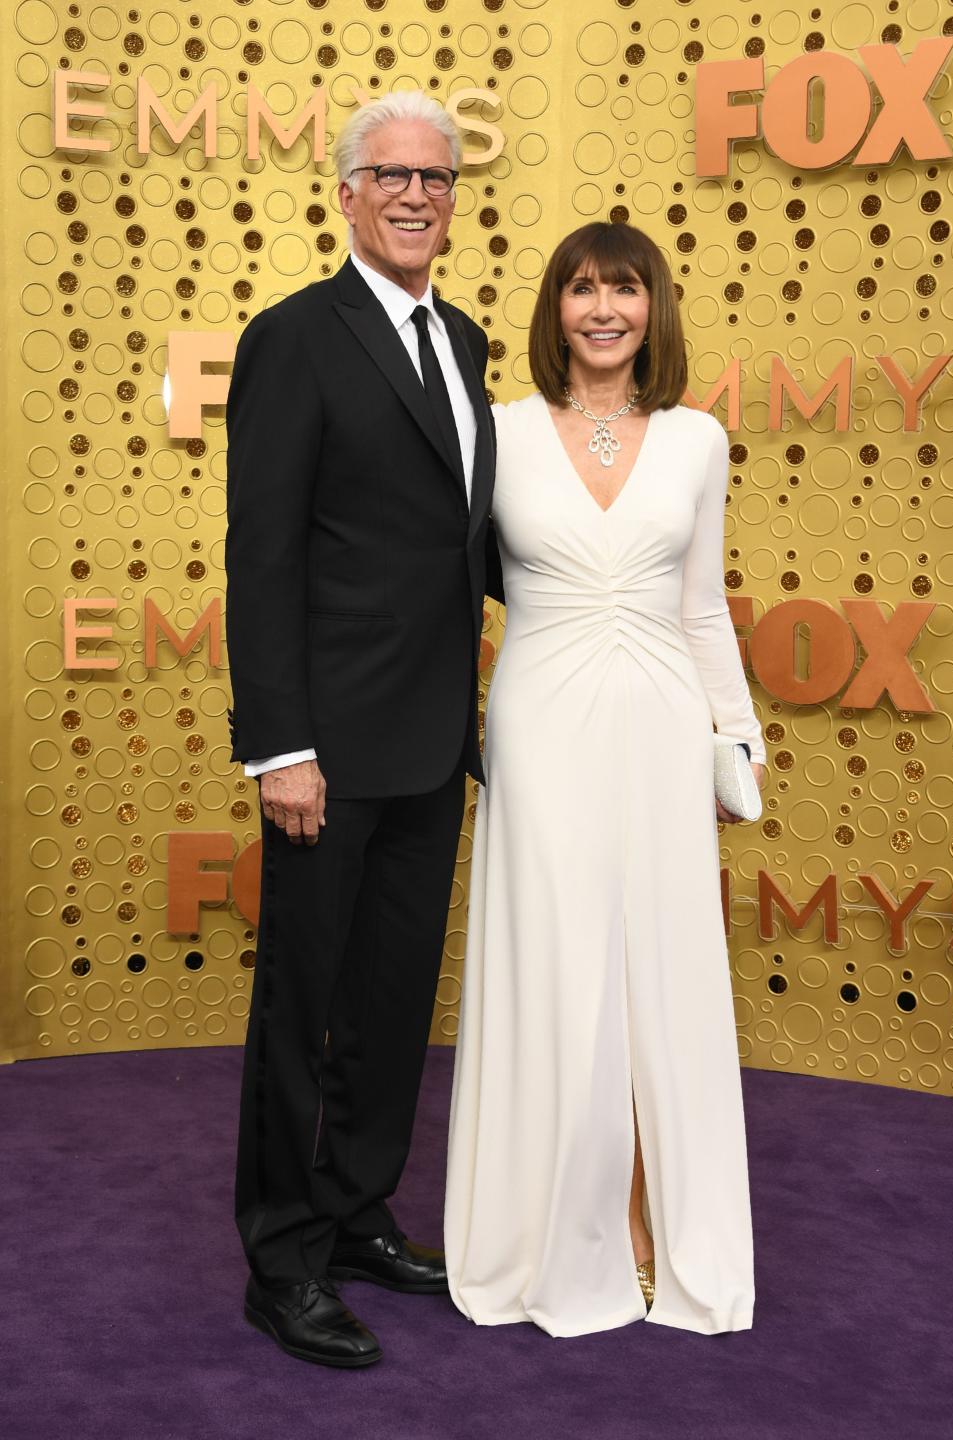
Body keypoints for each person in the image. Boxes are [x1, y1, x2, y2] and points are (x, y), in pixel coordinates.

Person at [444, 221, 766, 1339]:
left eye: (623, 289)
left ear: (652, 308)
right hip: (538, 724)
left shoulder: (696, 440)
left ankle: (648, 1226)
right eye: (582, 290)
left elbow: (701, 603)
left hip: (662, 721)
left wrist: (736, 736)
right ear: (557, 311)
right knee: (556, 965)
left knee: (656, 977)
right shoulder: (498, 434)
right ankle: (547, 1228)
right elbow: (443, 586)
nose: (602, 310)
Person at [224, 91, 496, 1368]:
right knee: (303, 1004)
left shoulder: (475, 343)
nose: (413, 196)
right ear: (343, 194)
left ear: (454, 199)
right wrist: (279, 746)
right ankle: (281, 1260)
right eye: (389, 175)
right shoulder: (296, 337)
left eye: (435, 179)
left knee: (391, 1005)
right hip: (323, 755)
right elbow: (263, 554)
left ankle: (355, 1214)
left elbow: (468, 538)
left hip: (435, 744)